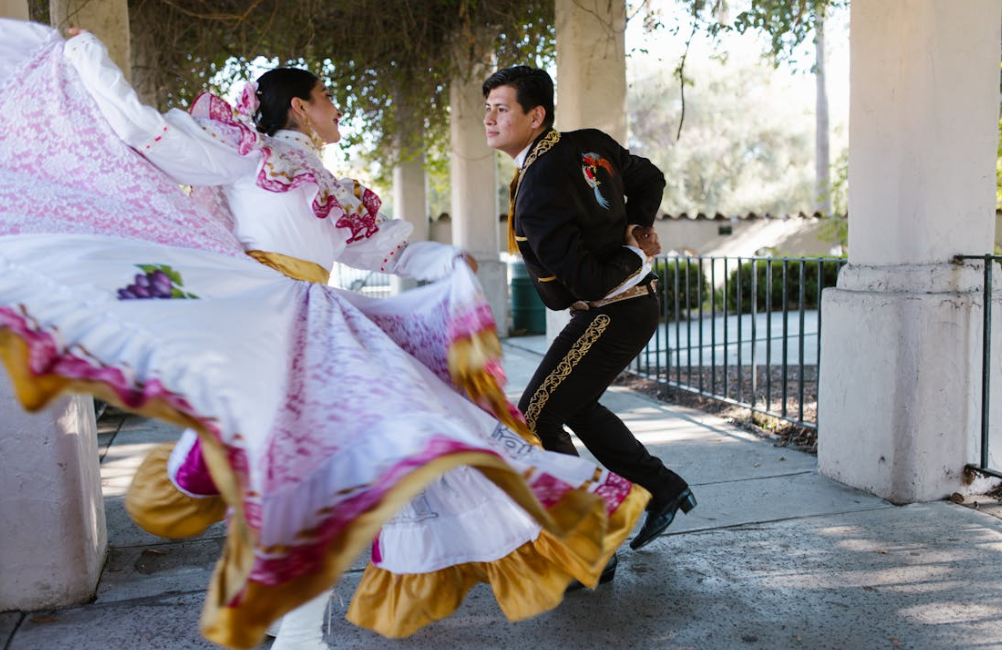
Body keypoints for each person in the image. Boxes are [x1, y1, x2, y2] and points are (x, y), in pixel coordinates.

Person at [0, 21, 650, 650]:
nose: (338, 109)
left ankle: (294, 621)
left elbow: (381, 254)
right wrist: (90, 62)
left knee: (324, 466)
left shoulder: (330, 186)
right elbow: (143, 132)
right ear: (301, 108)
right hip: (255, 315)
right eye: (329, 98)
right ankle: (292, 615)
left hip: (311, 319)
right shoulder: (242, 154)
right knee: (296, 469)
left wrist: (446, 262)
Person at [482, 65, 697, 562]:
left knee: (536, 414)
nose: (489, 120)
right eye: (487, 109)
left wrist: (636, 251)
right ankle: (662, 488)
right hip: (624, 307)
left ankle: (589, 542)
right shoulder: (588, 143)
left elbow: (591, 282)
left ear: (535, 116)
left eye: (501, 109)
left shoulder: (536, 188)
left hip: (613, 309)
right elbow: (651, 178)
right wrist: (638, 231)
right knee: (570, 406)